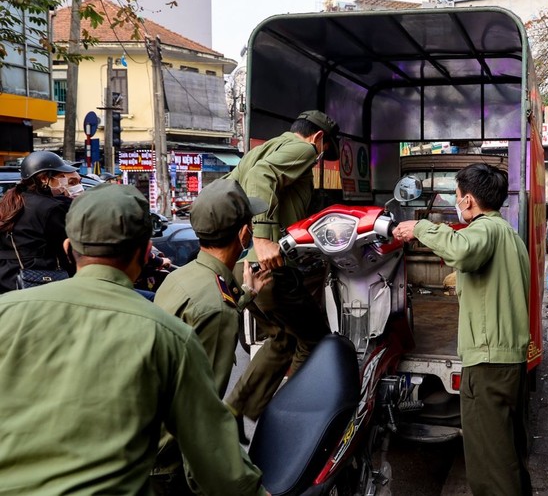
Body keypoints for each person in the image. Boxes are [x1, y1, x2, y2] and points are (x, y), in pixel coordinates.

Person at [0, 184, 268, 495]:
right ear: (144, 252)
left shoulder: (7, 312)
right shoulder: (169, 337)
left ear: (67, 248)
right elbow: (215, 460)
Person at [392, 164, 532, 496]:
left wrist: (421, 228)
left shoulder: (484, 230)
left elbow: (462, 250)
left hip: (487, 364)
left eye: (456, 196)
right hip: (507, 361)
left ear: (468, 200)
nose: (457, 202)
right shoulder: (509, 235)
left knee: (489, 469)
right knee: (506, 457)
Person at [151, 179, 272, 493]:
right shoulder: (217, 310)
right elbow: (200, 416)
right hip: (167, 464)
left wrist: (246, 293)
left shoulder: (183, 276)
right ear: (244, 233)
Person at [224, 110, 339, 422]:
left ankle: (235, 410)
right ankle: (290, 417)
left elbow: (227, 187)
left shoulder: (261, 150)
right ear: (319, 139)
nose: (319, 157)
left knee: (282, 338)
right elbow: (263, 177)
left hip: (242, 269)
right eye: (324, 150)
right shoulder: (303, 149)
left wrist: (240, 230)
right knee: (317, 341)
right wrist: (262, 237)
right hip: (269, 269)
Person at [0, 151, 77, 293]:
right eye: (60, 176)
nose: (64, 181)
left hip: (6, 278)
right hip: (40, 279)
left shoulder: (10, 201)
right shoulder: (52, 208)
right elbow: (65, 247)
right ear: (43, 179)